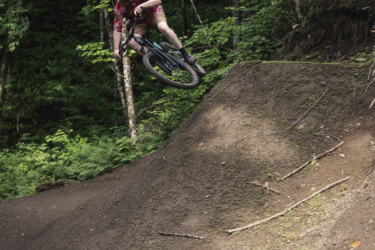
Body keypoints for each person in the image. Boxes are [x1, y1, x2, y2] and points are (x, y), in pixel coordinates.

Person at [113, 0, 196, 65]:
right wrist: (116, 49)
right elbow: (117, 29)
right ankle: (158, 60)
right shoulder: (119, 6)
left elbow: (157, 1)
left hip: (154, 14)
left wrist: (142, 6)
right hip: (139, 23)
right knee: (132, 42)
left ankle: (185, 54)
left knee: (163, 28)